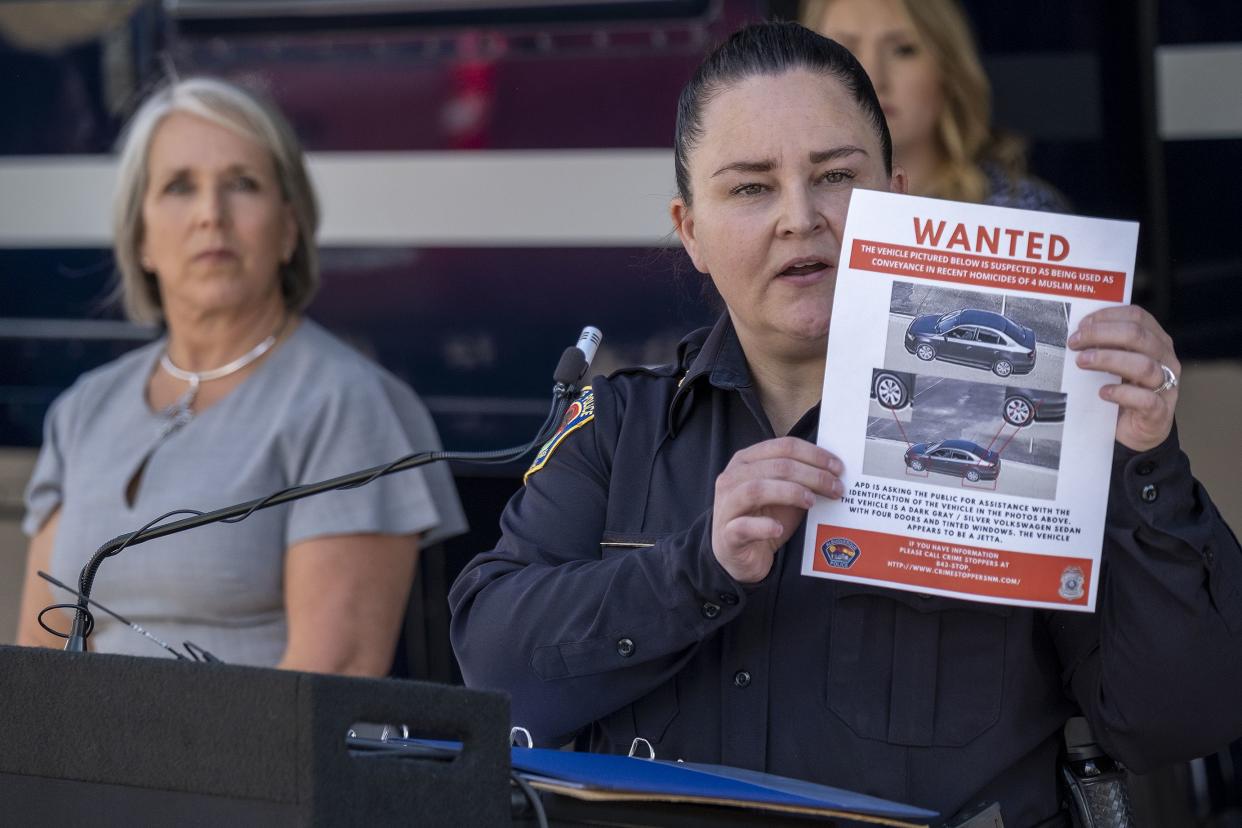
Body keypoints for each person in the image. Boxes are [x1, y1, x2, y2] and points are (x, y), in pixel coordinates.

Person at [449, 21, 1242, 826]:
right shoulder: (618, 428)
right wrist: (698, 569)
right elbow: (495, 668)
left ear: (897, 200)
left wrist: (1146, 461)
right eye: (751, 187)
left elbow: (1183, 718)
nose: (800, 217)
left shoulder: (1041, 431)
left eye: (833, 176)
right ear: (691, 231)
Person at [17, 77, 466, 675]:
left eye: (243, 185)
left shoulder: (347, 405)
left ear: (288, 228)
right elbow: (35, 665)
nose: (211, 215)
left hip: (255, 764)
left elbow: (325, 688)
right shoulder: (83, 410)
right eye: (180, 186)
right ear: (141, 238)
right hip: (89, 766)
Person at [804, 0, 1066, 211]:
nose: (872, 77)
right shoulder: (796, 217)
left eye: (904, 50)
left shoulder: (1018, 213)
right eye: (843, 50)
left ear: (949, 70)